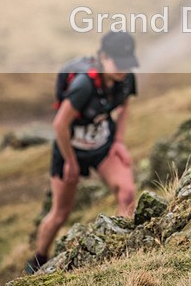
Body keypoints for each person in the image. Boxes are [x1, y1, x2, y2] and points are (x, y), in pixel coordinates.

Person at [25, 31, 138, 274]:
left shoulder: (126, 80)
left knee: (127, 192)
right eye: (118, 63)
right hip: (70, 150)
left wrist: (118, 141)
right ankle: (38, 260)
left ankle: (123, 250)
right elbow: (59, 125)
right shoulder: (83, 85)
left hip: (103, 146)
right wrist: (71, 162)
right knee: (60, 213)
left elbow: (124, 107)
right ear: (103, 56)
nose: (123, 70)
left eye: (127, 64)